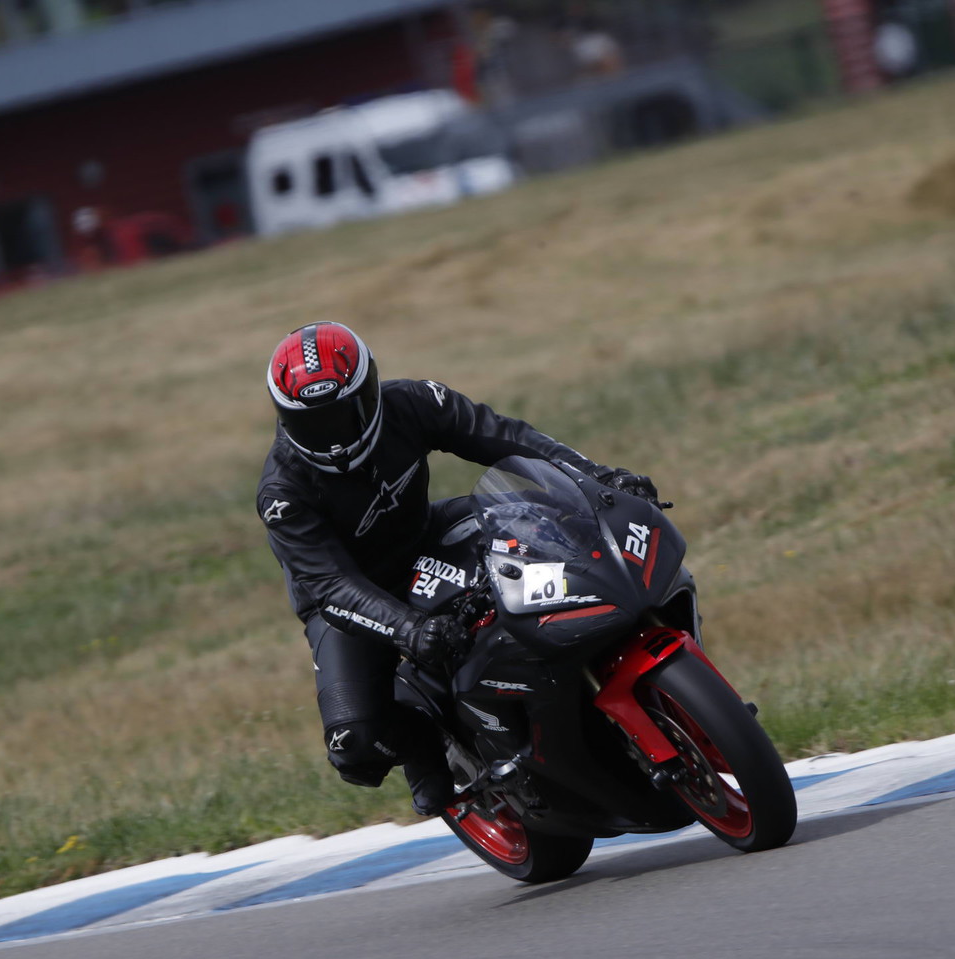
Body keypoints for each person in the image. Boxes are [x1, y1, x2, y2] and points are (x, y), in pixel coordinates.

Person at [256, 322, 657, 815]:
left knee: (553, 527)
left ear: (370, 391)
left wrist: (598, 477)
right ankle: (431, 741)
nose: (334, 438)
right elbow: (330, 584)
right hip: (346, 598)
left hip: (426, 535)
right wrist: (411, 629)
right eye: (314, 424)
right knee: (354, 747)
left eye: (343, 415)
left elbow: (506, 437)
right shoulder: (282, 494)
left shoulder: (413, 402)